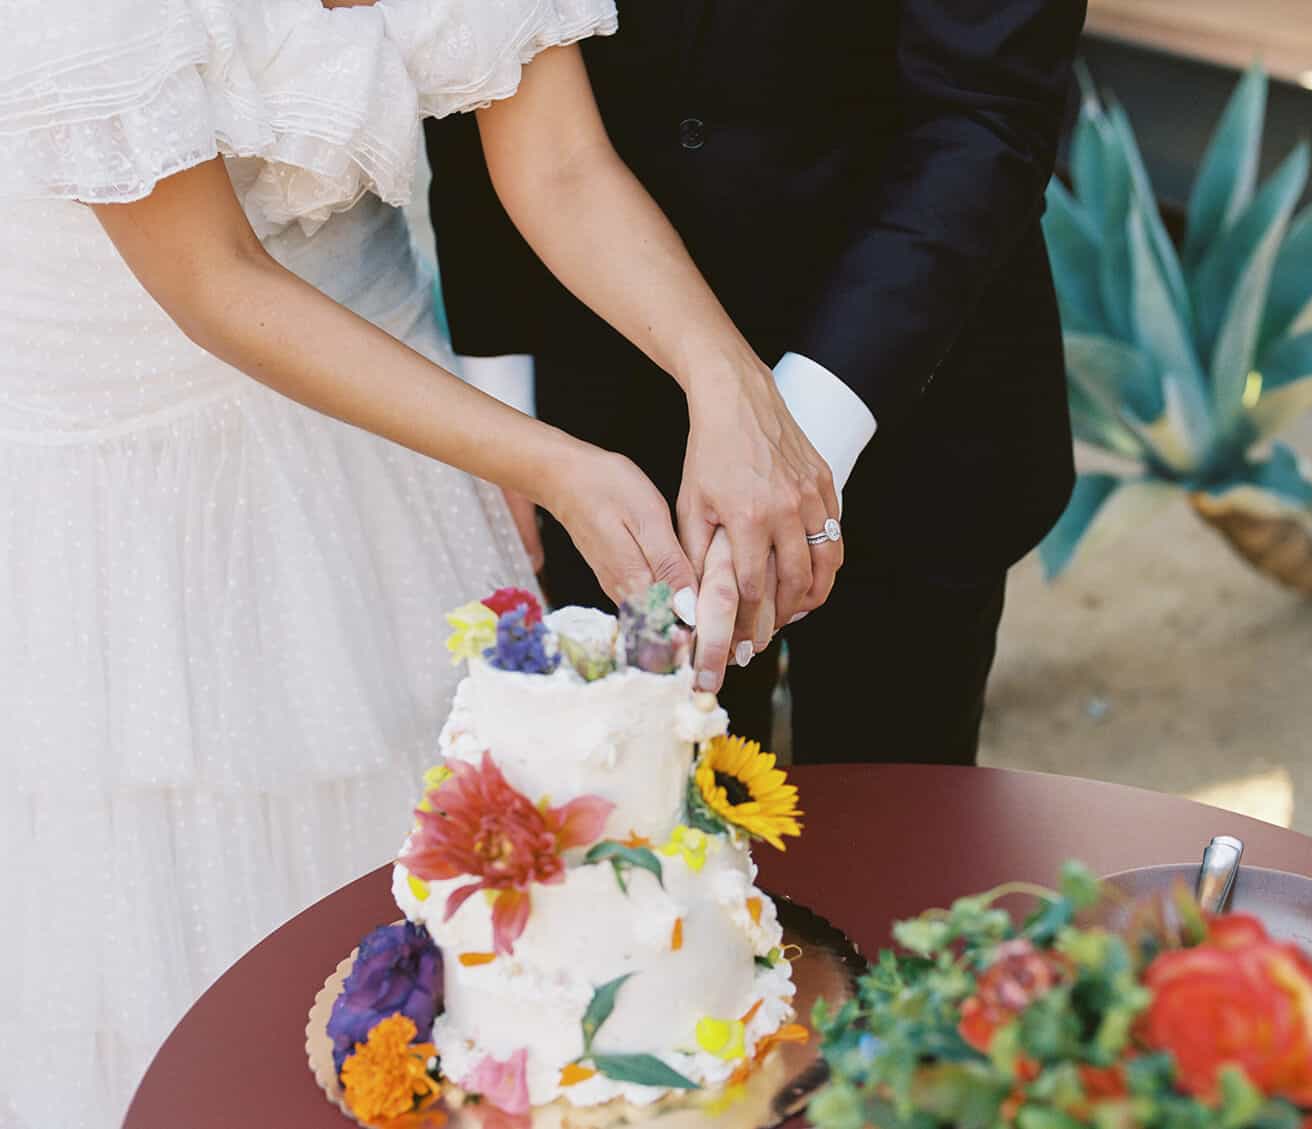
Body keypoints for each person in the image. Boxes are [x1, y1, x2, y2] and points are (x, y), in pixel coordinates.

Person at [0, 1, 834, 1124]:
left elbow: (564, 166)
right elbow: (214, 277)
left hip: (387, 419)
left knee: (495, 964)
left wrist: (729, 386)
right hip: (141, 468)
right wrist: (558, 465)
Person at [424, 0, 1087, 766]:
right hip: (597, 402)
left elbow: (986, 109)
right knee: (636, 826)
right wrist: (504, 392)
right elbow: (462, 49)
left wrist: (796, 431)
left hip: (915, 396)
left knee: (890, 834)